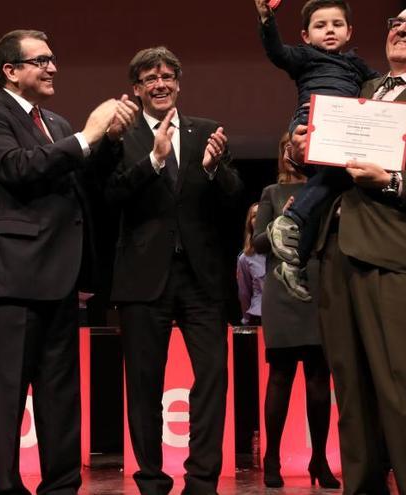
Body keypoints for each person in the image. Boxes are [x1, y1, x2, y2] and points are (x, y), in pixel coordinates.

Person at [279, 2, 406, 492]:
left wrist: (392, 181)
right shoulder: (363, 90)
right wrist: (297, 145)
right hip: (336, 252)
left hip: (392, 257)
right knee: (352, 395)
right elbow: (326, 162)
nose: (403, 28)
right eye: (397, 22)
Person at [0, 29, 137, 494]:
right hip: (6, 280)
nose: (53, 67)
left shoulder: (55, 123)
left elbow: (81, 182)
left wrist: (109, 142)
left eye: (53, 59)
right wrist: (89, 134)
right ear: (11, 72)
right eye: (41, 61)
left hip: (58, 278)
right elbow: (19, 167)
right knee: (6, 397)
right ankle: (6, 486)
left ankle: (61, 486)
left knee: (61, 395)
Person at [106, 46, 242, 495]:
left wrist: (216, 167)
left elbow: (234, 198)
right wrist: (155, 160)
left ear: (179, 82)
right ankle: (150, 479)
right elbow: (110, 197)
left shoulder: (207, 132)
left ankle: (202, 479)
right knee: (144, 384)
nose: (159, 83)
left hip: (202, 279)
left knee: (212, 379)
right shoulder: (121, 135)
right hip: (144, 279)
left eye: (167, 76)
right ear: (136, 89)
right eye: (149, 78)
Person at [255, 0, 379, 301]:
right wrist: (266, 19)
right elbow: (277, 53)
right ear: (306, 35)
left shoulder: (355, 64)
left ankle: (293, 262)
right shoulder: (305, 56)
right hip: (312, 124)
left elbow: (380, 86)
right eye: (320, 26)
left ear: (349, 31)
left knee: (330, 186)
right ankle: (290, 219)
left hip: (344, 131)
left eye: (337, 25)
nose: (330, 31)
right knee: (333, 178)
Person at [252, 133, 337, 489]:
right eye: (285, 146)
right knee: (281, 376)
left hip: (320, 288)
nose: (291, 152)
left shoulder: (329, 190)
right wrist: (278, 224)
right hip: (282, 292)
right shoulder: (272, 193)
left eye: (297, 146)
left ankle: (319, 459)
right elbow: (256, 243)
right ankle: (272, 457)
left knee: (319, 378)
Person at [237, 203, 265, 326]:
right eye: (254, 216)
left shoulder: (284, 252)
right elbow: (244, 293)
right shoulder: (245, 258)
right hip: (259, 317)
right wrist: (247, 320)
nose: (258, 218)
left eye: (262, 214)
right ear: (250, 223)